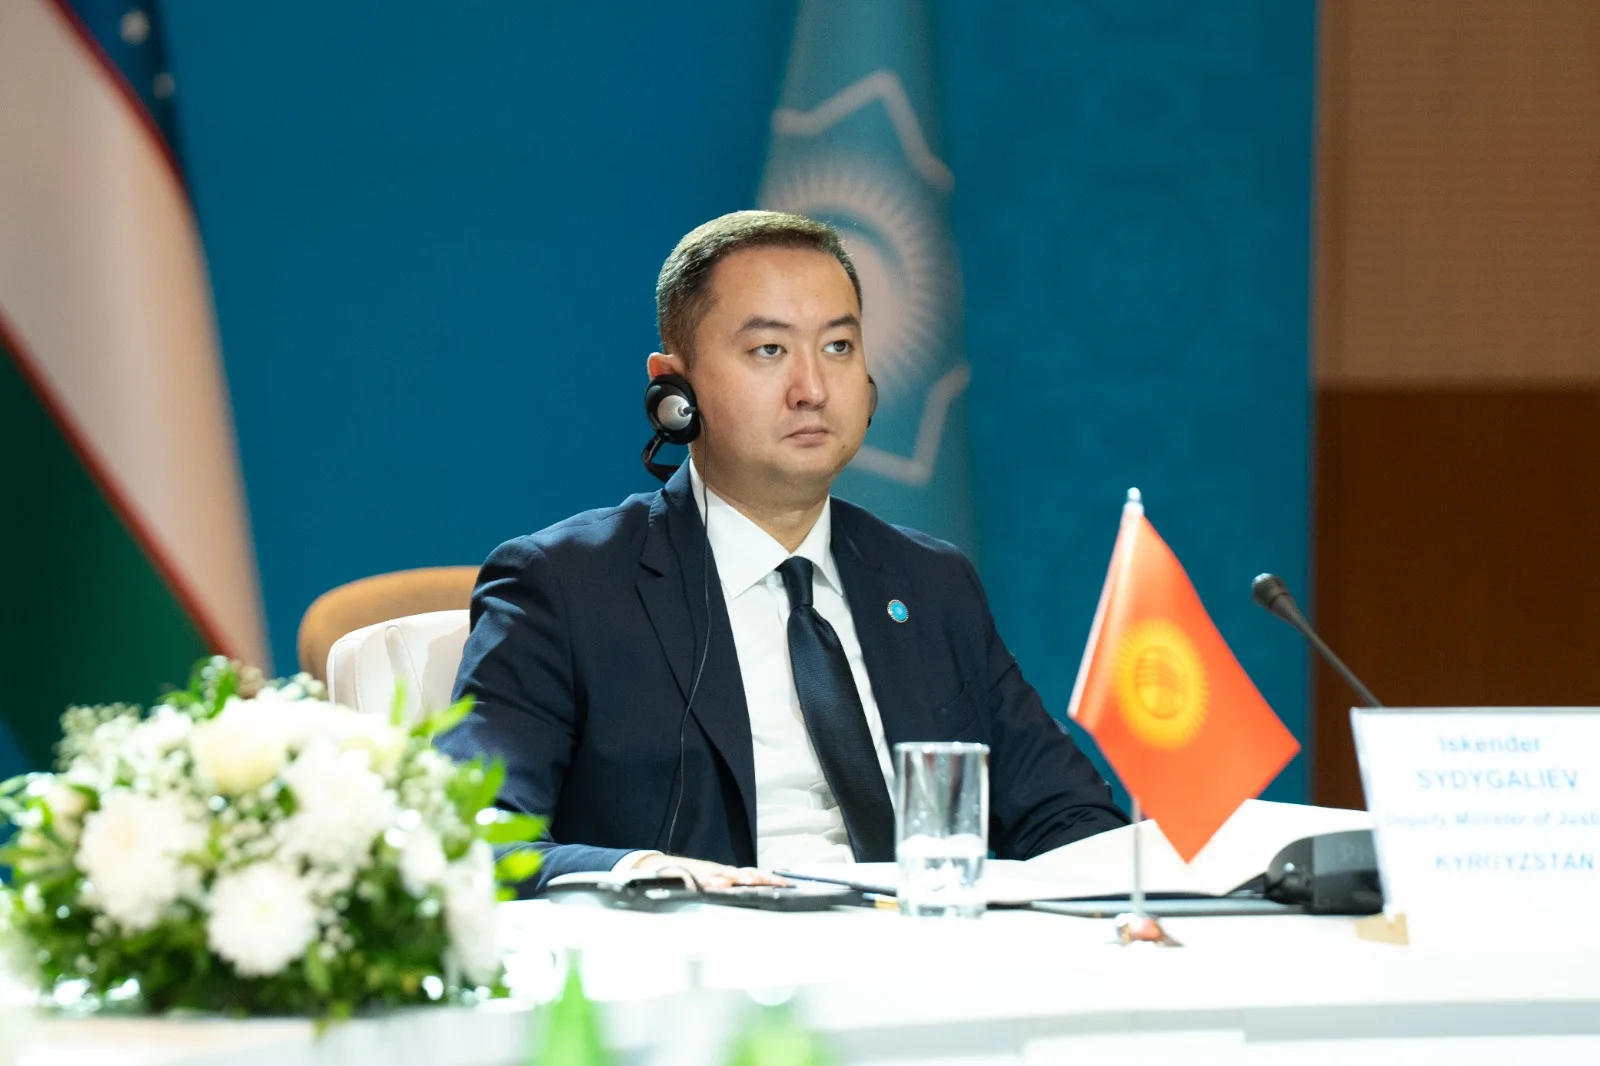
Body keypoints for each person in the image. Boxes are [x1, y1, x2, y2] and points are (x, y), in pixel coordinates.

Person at [438, 210, 1126, 894]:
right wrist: (643, 874)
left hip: (920, 948)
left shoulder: (930, 583)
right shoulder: (566, 585)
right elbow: (472, 839)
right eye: (769, 350)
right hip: (703, 954)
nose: (813, 390)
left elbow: (1070, 819)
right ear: (674, 388)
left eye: (839, 347)